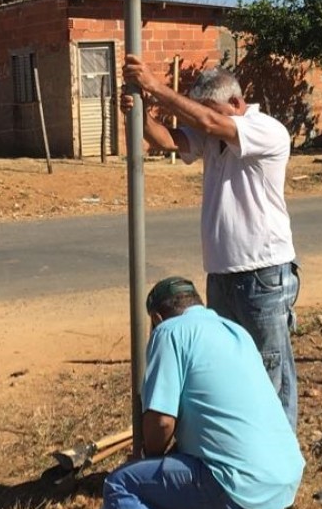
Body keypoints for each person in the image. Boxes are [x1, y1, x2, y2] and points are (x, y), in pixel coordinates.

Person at [100, 276, 305, 509]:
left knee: (122, 486)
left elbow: (161, 422)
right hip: (284, 478)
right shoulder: (233, 331)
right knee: (223, 448)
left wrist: (149, 458)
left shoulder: (170, 333)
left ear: (158, 319)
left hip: (237, 485)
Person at [122, 56, 300, 430]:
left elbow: (205, 122)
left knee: (271, 371)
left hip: (262, 274)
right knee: (232, 368)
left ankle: (278, 454)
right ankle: (242, 446)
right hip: (222, 273)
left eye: (213, 112)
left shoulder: (265, 130)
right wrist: (140, 112)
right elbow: (167, 140)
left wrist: (155, 87)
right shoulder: (215, 134)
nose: (206, 120)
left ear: (236, 103)